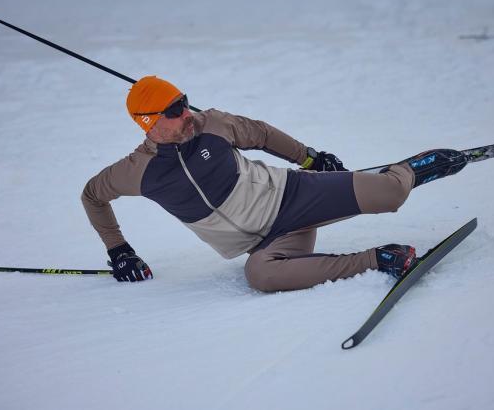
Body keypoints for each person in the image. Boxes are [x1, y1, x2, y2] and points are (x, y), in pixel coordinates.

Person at [81, 76, 467, 291]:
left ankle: (417, 167)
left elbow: (261, 134)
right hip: (267, 243)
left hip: (294, 195)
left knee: (392, 193)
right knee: (261, 275)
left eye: (184, 101)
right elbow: (92, 196)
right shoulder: (137, 171)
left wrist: (310, 158)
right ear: (148, 122)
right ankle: (380, 258)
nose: (186, 113)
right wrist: (120, 250)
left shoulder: (211, 124)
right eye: (174, 110)